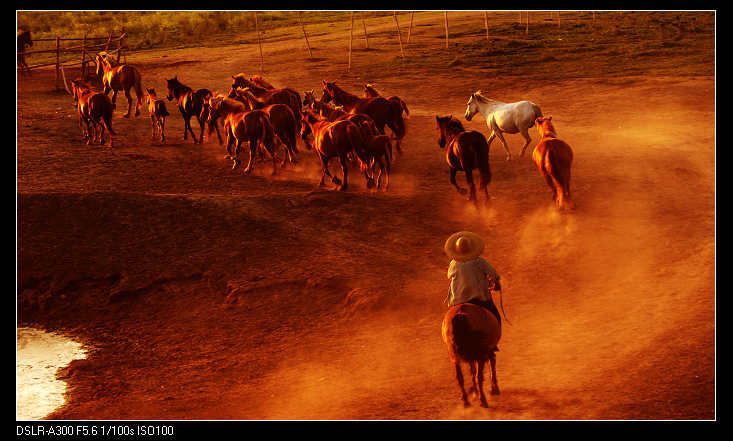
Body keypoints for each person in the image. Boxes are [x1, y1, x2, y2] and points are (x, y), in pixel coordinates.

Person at [443, 231, 503, 326]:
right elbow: (493, 274)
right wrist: (496, 282)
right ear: (471, 248)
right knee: (495, 315)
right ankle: (497, 328)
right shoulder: (479, 261)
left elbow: (449, 276)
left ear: (457, 250)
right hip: (479, 298)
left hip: (458, 300)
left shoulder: (453, 264)